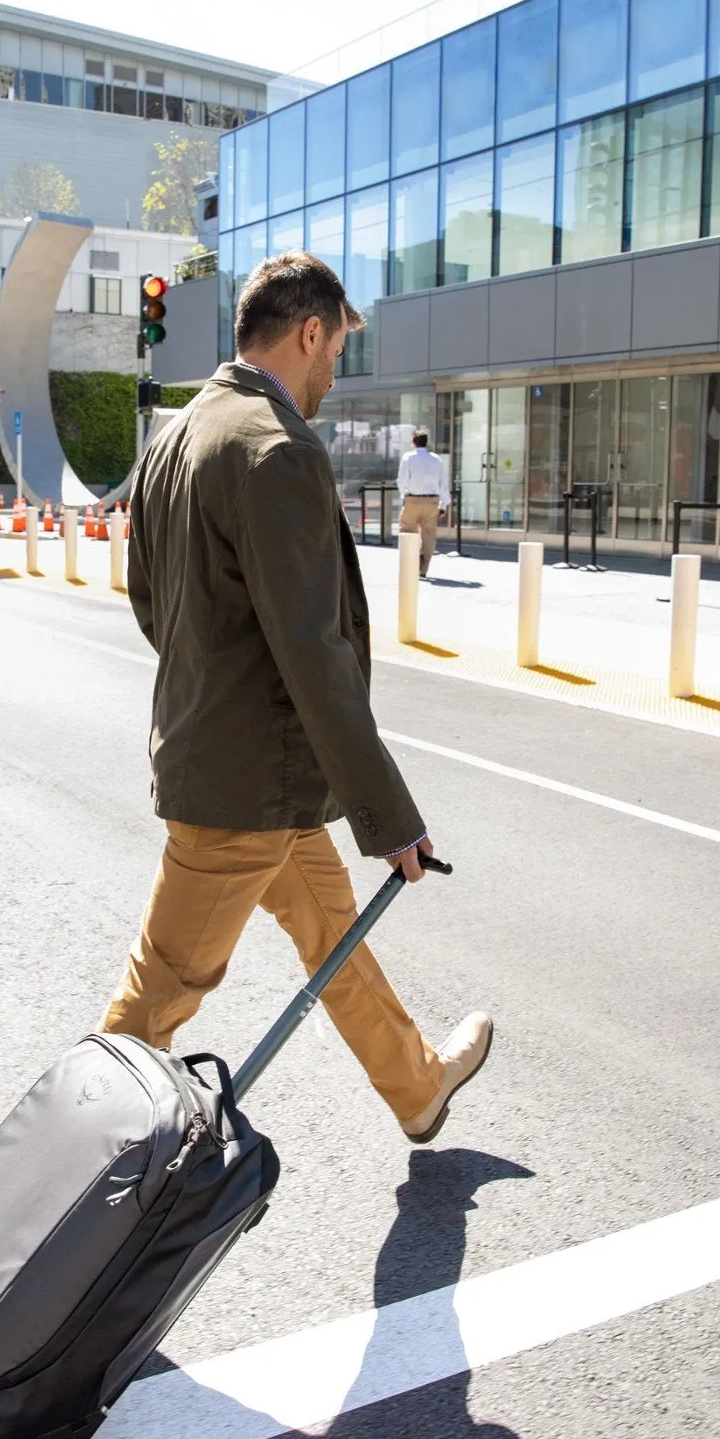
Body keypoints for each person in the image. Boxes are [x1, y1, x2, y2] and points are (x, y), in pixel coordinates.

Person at [99, 251, 492, 1145]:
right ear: (309, 331)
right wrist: (387, 817)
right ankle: (66, 1171)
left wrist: (218, 691)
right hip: (244, 792)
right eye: (335, 350)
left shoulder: (176, 438)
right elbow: (314, 653)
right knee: (159, 995)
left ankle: (418, 1085)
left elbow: (150, 600)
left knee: (333, 934)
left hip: (246, 769)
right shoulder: (275, 449)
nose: (332, 373)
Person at [397, 430, 450, 579]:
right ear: (427, 443)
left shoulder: (408, 457)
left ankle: (410, 565)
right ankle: (423, 568)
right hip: (431, 500)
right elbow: (443, 483)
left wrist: (404, 496)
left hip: (412, 499)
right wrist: (443, 504)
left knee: (407, 531)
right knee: (429, 536)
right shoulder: (436, 459)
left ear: (414, 442)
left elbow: (402, 480)